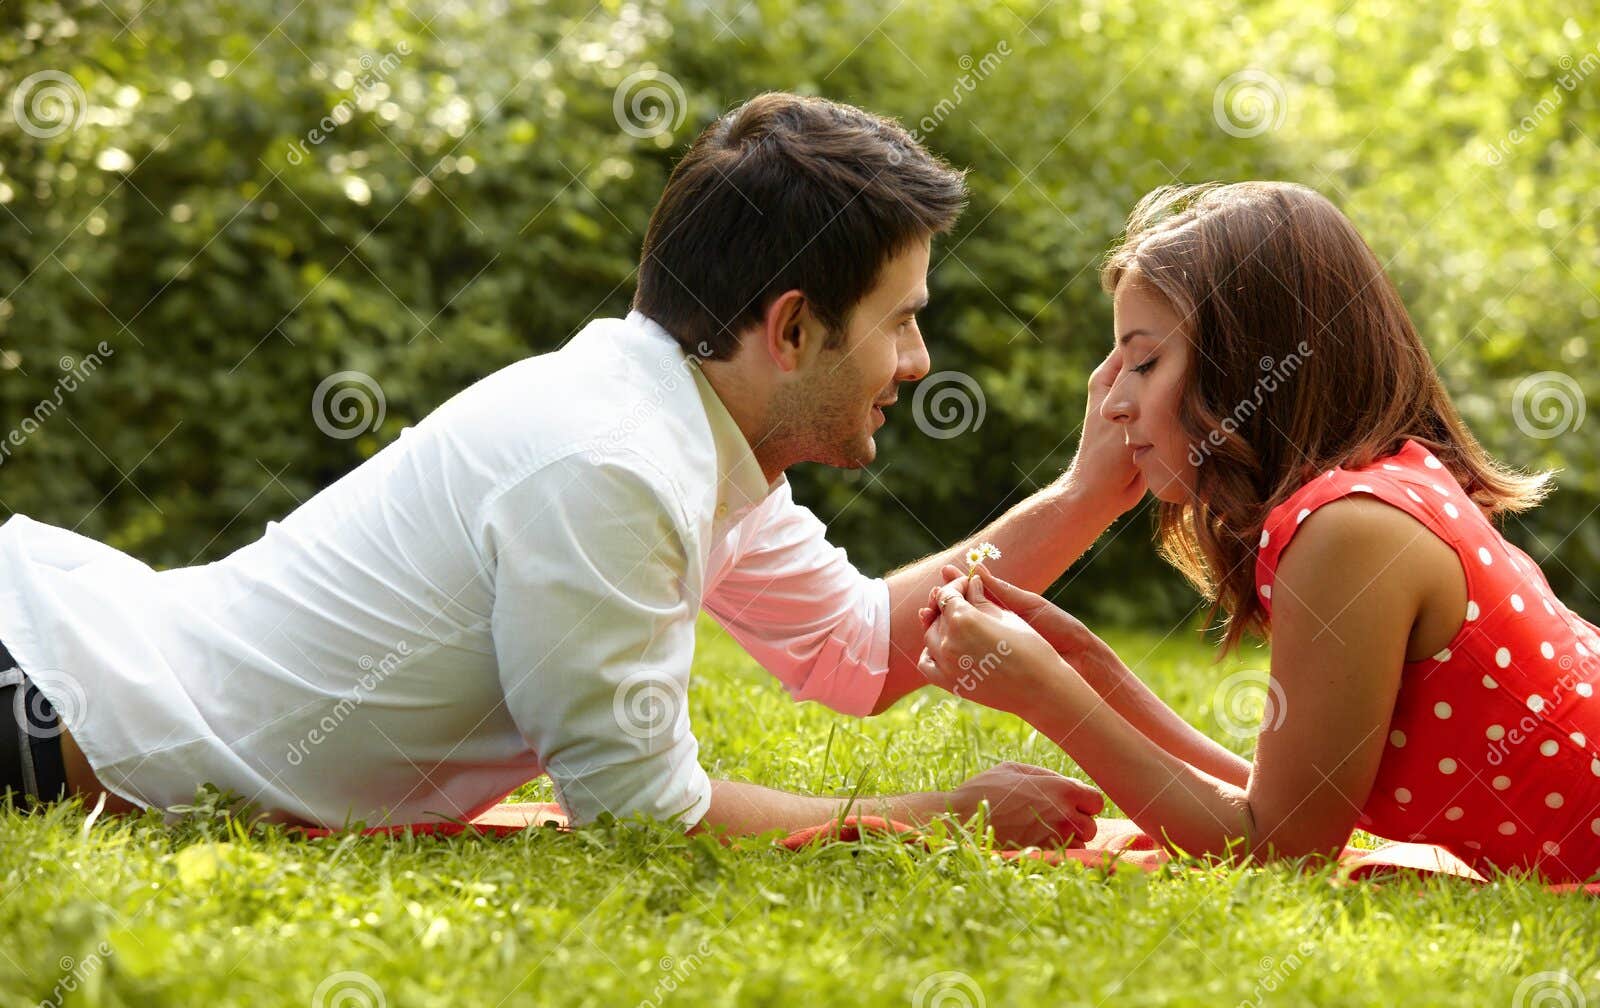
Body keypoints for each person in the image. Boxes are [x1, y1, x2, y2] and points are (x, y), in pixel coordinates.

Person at [0, 93, 1140, 847]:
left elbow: (861, 648)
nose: (918, 360)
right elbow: (642, 814)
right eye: (901, 322)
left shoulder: (688, 425)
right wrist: (939, 811)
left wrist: (1092, 489)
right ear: (790, 328)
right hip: (42, 699)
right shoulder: (616, 464)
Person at [920, 181, 1600, 882]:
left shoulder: (1350, 531)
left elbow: (1281, 848)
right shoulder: (1376, 494)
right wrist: (1088, 670)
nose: (1115, 404)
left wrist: (1043, 694)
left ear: (1249, 363)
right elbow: (1292, 802)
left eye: (1146, 362)